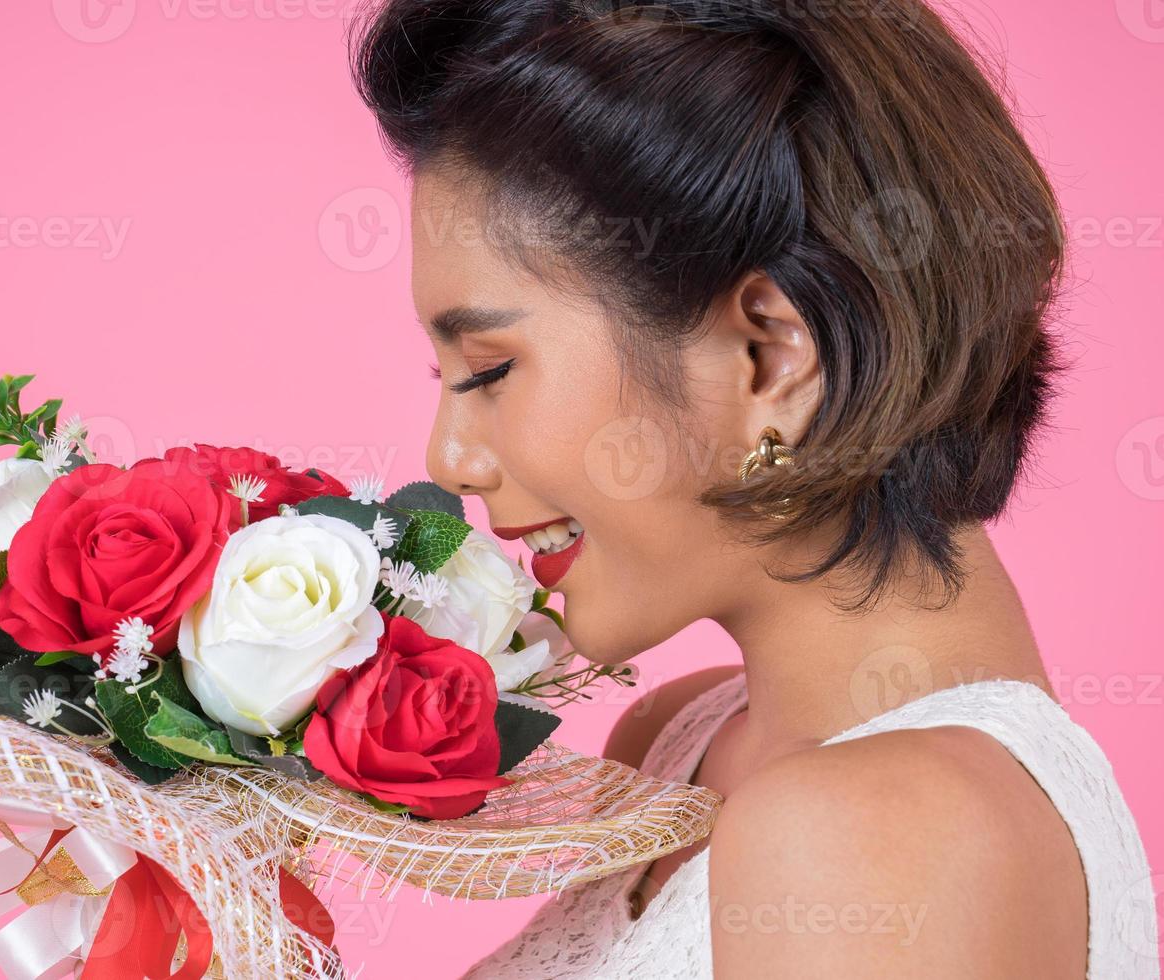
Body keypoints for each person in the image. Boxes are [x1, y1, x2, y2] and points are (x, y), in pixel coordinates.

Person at [347, 0, 1159, 976]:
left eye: (489, 368)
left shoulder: (876, 832)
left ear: (769, 358)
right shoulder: (691, 738)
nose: (451, 459)